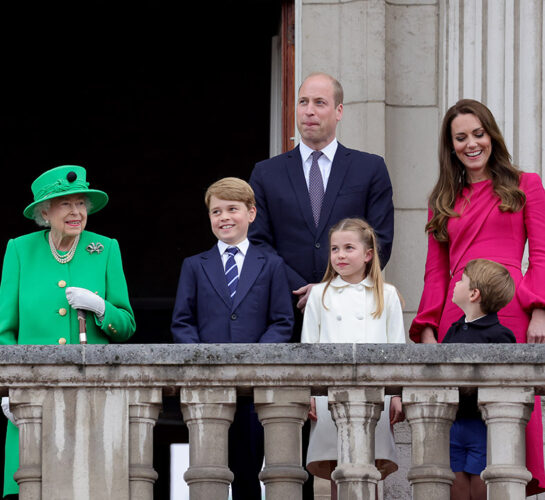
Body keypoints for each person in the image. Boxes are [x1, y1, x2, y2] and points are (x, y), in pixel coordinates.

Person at [248, 72, 394, 498]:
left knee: (349, 449)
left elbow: (380, 238)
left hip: (352, 323)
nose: (309, 111)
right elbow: (259, 241)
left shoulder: (369, 168)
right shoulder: (267, 172)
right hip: (286, 319)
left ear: (339, 111)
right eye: (303, 103)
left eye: (319, 103)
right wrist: (306, 289)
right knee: (286, 442)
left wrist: (330, 289)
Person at [410, 99, 545, 494]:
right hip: (456, 315)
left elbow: (539, 254)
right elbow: (435, 271)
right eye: (461, 137)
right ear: (450, 146)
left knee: (507, 422)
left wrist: (539, 310)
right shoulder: (442, 198)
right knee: (458, 429)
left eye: (478, 134)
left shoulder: (527, 184)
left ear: (491, 135)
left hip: (511, 312)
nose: (471, 144)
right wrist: (428, 328)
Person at [0, 165, 135, 498]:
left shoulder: (105, 249)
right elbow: (5, 332)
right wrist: (6, 388)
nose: (76, 212)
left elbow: (127, 325)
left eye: (81, 203)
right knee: (32, 485)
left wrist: (101, 307)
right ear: (44, 211)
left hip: (90, 397)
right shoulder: (19, 250)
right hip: (33, 397)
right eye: (65, 204)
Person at [171, 177, 293, 499]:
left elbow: (282, 322)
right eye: (216, 211)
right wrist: (202, 360)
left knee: (250, 470)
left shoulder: (272, 264)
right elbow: (182, 322)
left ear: (251, 214)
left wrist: (254, 359)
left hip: (254, 391)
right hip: (210, 387)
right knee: (209, 469)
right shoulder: (195, 265)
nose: (224, 217)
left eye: (232, 209)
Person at [301, 218, 404, 498]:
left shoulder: (388, 294)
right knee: (338, 466)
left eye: (349, 248)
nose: (340, 255)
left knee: (371, 464)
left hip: (375, 392)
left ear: (368, 254)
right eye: (335, 249)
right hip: (329, 394)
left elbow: (397, 347)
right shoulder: (320, 294)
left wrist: (396, 395)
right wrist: (310, 392)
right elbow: (308, 347)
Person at [443, 259, 516, 500]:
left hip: (482, 425)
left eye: (461, 280)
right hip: (453, 423)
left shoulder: (500, 336)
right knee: (455, 484)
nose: (455, 283)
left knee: (481, 484)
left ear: (474, 294)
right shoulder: (453, 330)